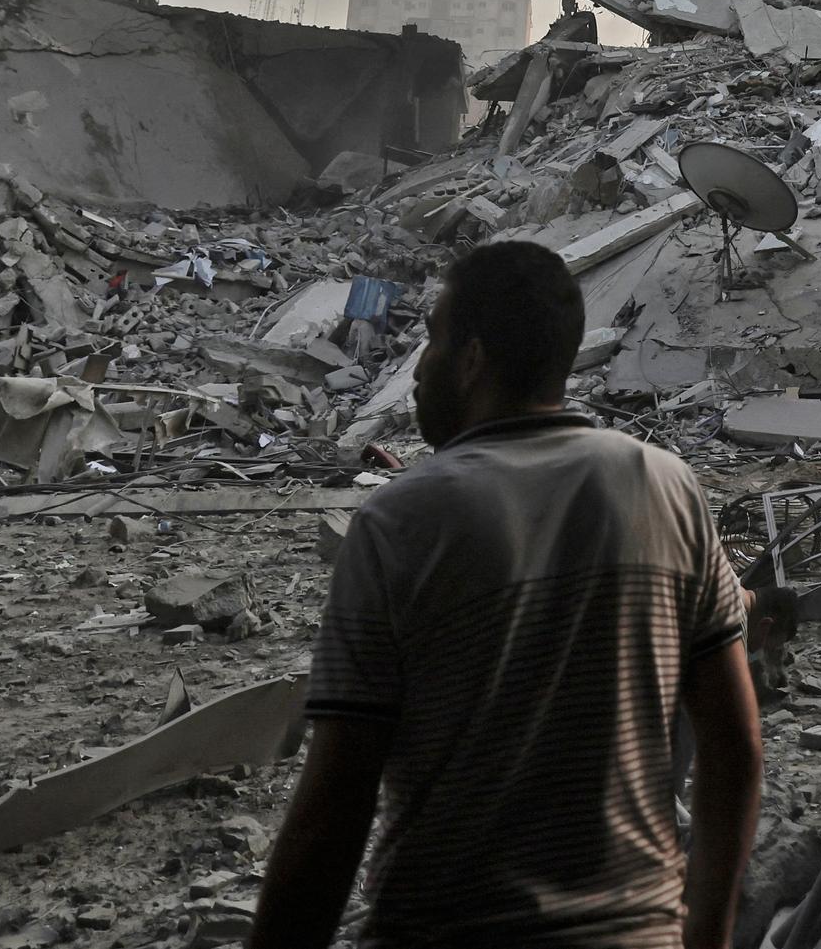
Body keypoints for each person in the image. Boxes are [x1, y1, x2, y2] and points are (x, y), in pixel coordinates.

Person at [253, 239, 763, 949]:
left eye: (431, 340)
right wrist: (705, 935)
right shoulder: (665, 484)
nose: (418, 369)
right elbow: (734, 746)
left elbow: (337, 804)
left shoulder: (400, 522)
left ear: (472, 358)